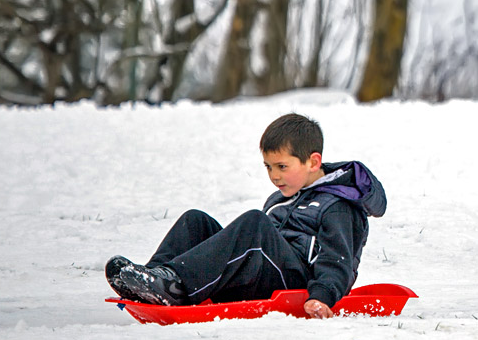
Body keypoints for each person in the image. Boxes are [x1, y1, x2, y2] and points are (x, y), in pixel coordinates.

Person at [105, 113, 386, 318]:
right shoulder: (281, 197)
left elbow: (338, 260)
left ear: (313, 162)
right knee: (196, 221)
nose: (274, 176)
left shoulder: (339, 204)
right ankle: (153, 278)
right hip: (267, 272)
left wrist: (322, 296)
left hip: (298, 282)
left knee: (255, 223)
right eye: (267, 167)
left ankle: (175, 285)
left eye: (282, 166)